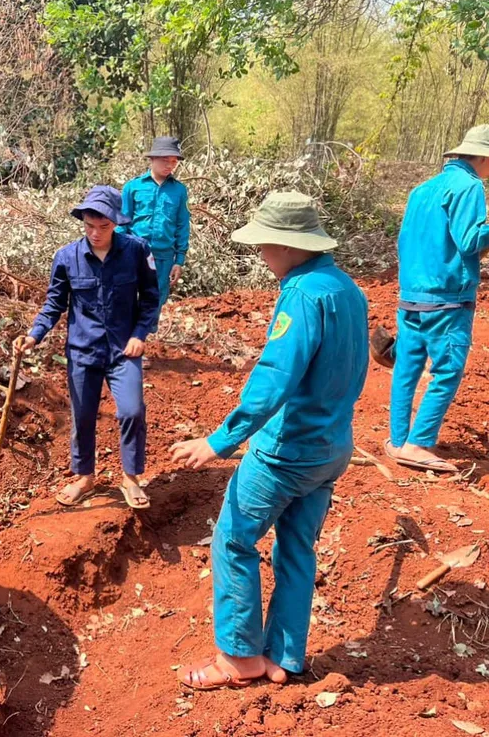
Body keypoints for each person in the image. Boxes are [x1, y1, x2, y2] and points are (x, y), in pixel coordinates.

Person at [169, 191, 368, 689]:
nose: (260, 255)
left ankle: (238, 659)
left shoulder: (302, 294)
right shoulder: (346, 289)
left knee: (233, 538)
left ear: (285, 244)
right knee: (297, 548)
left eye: (263, 245)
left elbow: (274, 377)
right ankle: (284, 657)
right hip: (331, 448)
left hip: (287, 452)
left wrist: (219, 440)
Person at [14, 185, 160, 510]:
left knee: (132, 410)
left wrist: (140, 334)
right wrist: (34, 335)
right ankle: (84, 477)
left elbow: (151, 298)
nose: (95, 233)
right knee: (82, 416)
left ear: (116, 223)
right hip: (83, 350)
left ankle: (131, 477)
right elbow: (54, 304)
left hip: (124, 349)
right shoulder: (67, 258)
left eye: (103, 227)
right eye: (89, 226)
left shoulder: (137, 251)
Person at [381, 124, 489, 474]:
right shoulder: (470, 187)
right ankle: (418, 442)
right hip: (447, 298)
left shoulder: (422, 190)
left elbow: (405, 241)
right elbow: (471, 242)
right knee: (447, 370)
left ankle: (398, 441)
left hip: (411, 295)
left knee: (406, 368)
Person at [119, 136, 190, 309]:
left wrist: (178, 260)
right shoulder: (133, 187)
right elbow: (122, 222)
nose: (170, 165)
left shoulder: (179, 190)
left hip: (163, 257)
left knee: (156, 300)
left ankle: (150, 334)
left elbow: (182, 225)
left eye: (174, 161)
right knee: (128, 298)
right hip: (134, 253)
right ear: (152, 159)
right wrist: (118, 253)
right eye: (165, 160)